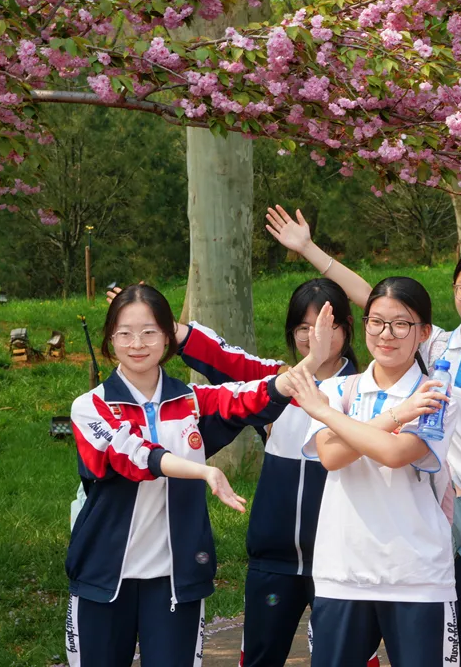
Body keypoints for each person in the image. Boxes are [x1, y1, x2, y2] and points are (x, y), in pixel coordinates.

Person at [266, 205, 461, 667]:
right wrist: (309, 249)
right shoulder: (435, 346)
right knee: (449, 647)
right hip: (448, 516)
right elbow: (377, 299)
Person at [65, 284, 322, 667]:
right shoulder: (90, 407)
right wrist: (202, 471)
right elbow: (133, 455)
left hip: (176, 580)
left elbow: (250, 395)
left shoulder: (192, 401)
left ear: (168, 337)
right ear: (110, 339)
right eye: (125, 333)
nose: (137, 343)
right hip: (102, 578)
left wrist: (310, 363)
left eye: (149, 332)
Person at [292, 276, 461, 667]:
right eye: (377, 322)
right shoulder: (338, 391)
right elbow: (331, 456)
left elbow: (395, 453)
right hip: (343, 572)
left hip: (417, 576)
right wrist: (396, 415)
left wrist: (327, 415)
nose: (386, 334)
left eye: (401, 324)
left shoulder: (435, 395)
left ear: (424, 333)